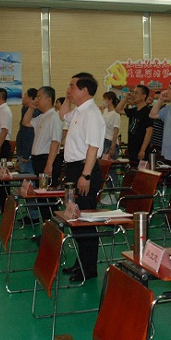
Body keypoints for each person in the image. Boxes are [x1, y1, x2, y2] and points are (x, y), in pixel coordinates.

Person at [58, 72, 105, 282]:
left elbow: (93, 147)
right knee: (76, 218)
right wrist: (68, 98)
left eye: (72, 86)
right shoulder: (79, 111)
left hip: (84, 170)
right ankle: (81, 262)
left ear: (84, 90)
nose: (68, 90)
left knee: (85, 220)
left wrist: (85, 175)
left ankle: (89, 268)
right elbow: (62, 115)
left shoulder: (92, 114)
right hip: (74, 170)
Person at [22, 86, 62, 221]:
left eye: (40, 97)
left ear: (49, 100)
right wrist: (31, 107)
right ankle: (47, 227)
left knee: (49, 198)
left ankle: (54, 228)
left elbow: (55, 142)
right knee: (42, 196)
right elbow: (26, 122)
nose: (37, 100)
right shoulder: (41, 117)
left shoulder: (54, 117)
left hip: (47, 159)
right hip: (38, 160)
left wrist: (49, 164)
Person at [115, 84, 153, 168]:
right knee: (132, 170)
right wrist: (126, 98)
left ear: (144, 96)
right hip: (132, 148)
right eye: (133, 92)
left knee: (141, 172)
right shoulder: (134, 111)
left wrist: (143, 150)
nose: (133, 95)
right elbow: (118, 109)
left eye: (136, 93)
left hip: (141, 149)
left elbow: (149, 132)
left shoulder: (147, 111)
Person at [16, 88, 39, 175]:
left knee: (28, 178)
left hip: (27, 154)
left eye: (25, 95)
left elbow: (29, 134)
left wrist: (26, 154)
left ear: (31, 98)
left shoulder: (33, 112)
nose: (23, 97)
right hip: (22, 151)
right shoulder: (24, 109)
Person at [101, 91, 121, 159]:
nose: (103, 101)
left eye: (105, 99)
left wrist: (112, 147)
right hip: (104, 140)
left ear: (110, 100)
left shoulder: (116, 114)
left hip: (110, 141)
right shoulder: (105, 111)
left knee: (108, 161)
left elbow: (116, 131)